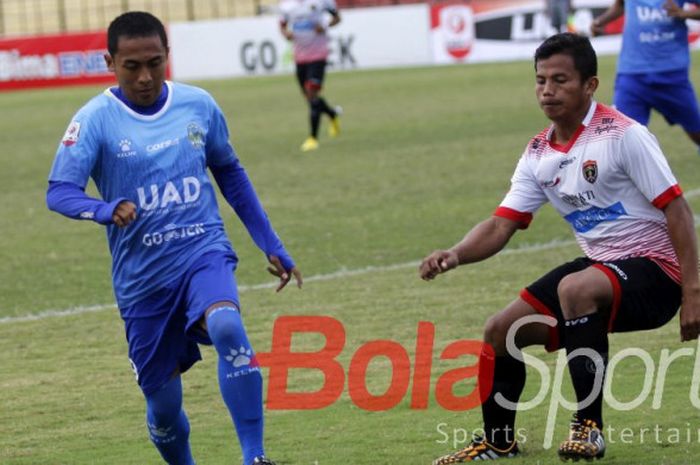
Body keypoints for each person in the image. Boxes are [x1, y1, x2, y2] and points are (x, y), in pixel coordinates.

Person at [420, 32, 700, 463]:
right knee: (501, 330)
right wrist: (455, 253)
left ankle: (589, 428)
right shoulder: (537, 153)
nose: (547, 91)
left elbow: (678, 211)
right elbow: (500, 225)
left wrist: (693, 291)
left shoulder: (624, 135)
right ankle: (498, 442)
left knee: (575, 289)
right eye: (540, 80)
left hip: (658, 272)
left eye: (560, 80)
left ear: (590, 85)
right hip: (601, 268)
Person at [46, 11, 302, 465]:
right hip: (143, 280)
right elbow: (59, 192)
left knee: (226, 325)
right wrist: (104, 210)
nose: (145, 77)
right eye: (132, 66)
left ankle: (255, 457)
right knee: (164, 407)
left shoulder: (198, 105)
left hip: (202, 250)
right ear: (110, 61)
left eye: (155, 63)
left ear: (168, 57)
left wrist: (271, 242)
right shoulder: (94, 120)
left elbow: (230, 173)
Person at [592, 0, 700, 150]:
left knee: (697, 132)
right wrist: (600, 21)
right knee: (621, 140)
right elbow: (621, 4)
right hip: (632, 74)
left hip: (671, 73)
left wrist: (684, 13)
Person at [279, 0, 342, 152]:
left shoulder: (322, 1)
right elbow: (282, 25)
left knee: (312, 93)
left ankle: (313, 138)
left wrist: (325, 26)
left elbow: (337, 18)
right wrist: (286, 33)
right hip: (300, 57)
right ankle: (332, 114)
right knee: (309, 98)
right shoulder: (287, 5)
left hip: (319, 55)